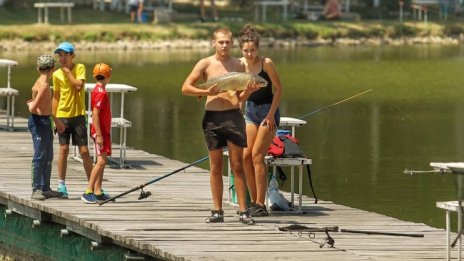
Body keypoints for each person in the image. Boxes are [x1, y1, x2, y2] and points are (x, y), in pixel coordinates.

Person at [181, 27, 255, 225]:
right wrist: (207, 93)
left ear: (232, 44)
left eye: (228, 42)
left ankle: (243, 211)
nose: (224, 45)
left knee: (237, 165)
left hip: (233, 117)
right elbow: (186, 88)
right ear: (213, 43)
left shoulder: (239, 64)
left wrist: (247, 92)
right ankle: (217, 210)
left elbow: (240, 97)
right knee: (215, 167)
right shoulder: (205, 63)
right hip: (212, 118)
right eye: (220, 42)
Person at [238, 24, 282, 217]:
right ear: (241, 50)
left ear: (258, 48)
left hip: (268, 112)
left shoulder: (266, 63)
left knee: (257, 156)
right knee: (245, 156)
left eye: (253, 50)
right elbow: (239, 95)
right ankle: (254, 202)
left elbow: (279, 90)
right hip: (249, 112)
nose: (250, 54)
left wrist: (271, 114)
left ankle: (260, 204)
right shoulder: (240, 65)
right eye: (246, 50)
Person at [52, 41, 92, 199]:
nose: (62, 58)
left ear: (72, 56)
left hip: (78, 116)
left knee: (84, 151)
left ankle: (93, 185)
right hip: (62, 115)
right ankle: (61, 186)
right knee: (63, 150)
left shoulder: (80, 68)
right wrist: (54, 119)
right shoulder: (56, 75)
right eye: (59, 55)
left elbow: (78, 86)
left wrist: (68, 72)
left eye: (65, 54)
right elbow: (56, 97)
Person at [28, 55, 65, 200]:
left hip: (45, 121)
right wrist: (29, 104)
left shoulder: (42, 82)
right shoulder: (43, 85)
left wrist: (57, 121)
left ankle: (46, 188)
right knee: (40, 155)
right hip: (38, 122)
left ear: (38, 68)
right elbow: (33, 107)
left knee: (48, 155)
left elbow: (47, 107)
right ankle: (36, 189)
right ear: (53, 69)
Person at [81, 63, 113, 204]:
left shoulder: (97, 89)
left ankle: (98, 191)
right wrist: (99, 135)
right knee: (101, 162)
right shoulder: (101, 93)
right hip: (100, 133)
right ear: (108, 77)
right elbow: (95, 114)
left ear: (94, 76)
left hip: (104, 132)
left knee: (102, 161)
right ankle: (88, 191)